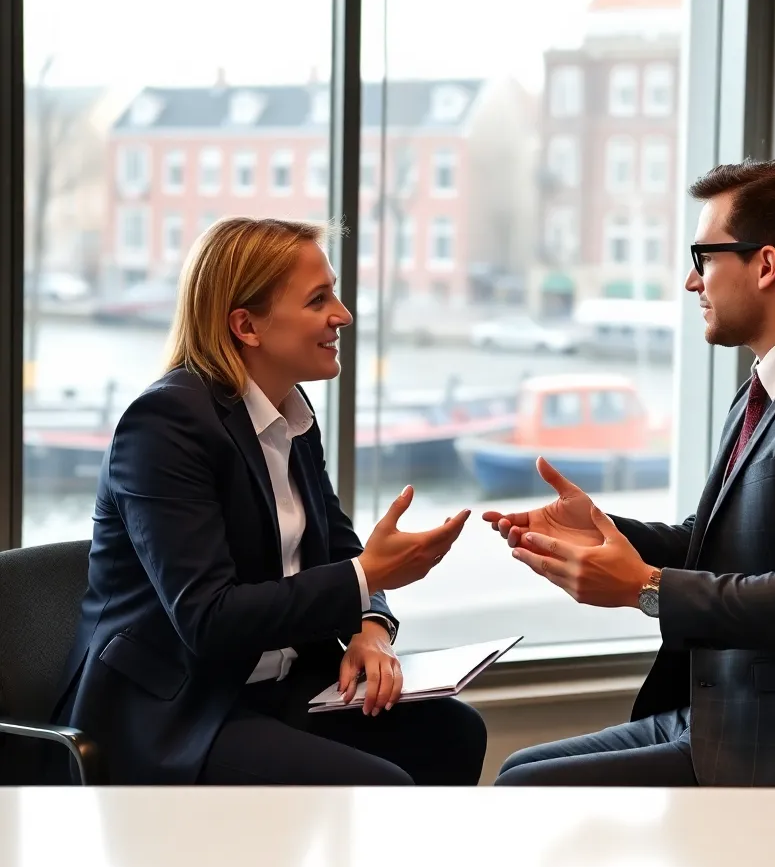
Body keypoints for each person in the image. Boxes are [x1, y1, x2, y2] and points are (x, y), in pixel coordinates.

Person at [487, 159, 775, 796]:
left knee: (526, 795)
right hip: (724, 716)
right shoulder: (773, 384)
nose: (690, 280)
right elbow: (722, 539)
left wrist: (644, 587)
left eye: (704, 257)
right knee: (517, 773)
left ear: (766, 264)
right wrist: (604, 533)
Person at [53, 216, 486, 786]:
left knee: (455, 732)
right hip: (175, 712)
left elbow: (339, 549)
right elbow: (208, 618)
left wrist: (370, 627)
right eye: (318, 300)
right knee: (382, 788)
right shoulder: (165, 423)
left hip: (274, 688)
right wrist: (365, 576)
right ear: (246, 326)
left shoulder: (291, 412)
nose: (343, 315)